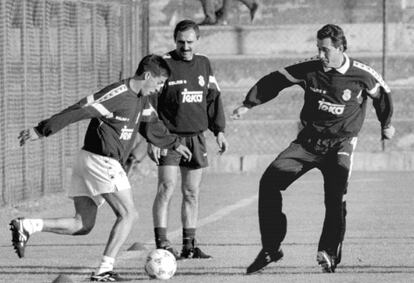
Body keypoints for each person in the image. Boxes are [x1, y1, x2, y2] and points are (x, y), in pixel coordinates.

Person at [10, 54, 192, 282]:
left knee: (82, 224)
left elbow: (152, 126)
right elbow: (80, 109)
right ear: (147, 76)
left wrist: (173, 143)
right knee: (128, 214)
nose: (158, 89)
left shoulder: (142, 99)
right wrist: (43, 129)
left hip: (91, 160)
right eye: (158, 83)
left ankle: (27, 225)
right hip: (101, 160)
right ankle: (104, 271)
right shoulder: (117, 94)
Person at [232, 24, 395, 274]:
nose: (320, 55)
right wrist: (248, 104)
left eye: (325, 50)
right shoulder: (310, 69)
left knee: (335, 196)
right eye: (318, 49)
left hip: (340, 144)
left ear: (340, 48)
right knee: (269, 182)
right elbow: (275, 80)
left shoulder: (361, 73)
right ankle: (271, 249)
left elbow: (382, 94)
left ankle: (328, 252)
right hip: (307, 143)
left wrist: (386, 125)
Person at [148, 19, 228, 259]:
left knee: (191, 192)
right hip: (169, 138)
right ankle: (162, 245)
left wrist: (219, 130)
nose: (185, 47)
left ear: (198, 40)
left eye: (190, 42)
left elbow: (213, 98)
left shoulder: (204, 64)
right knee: (166, 187)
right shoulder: (163, 64)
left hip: (196, 138)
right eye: (181, 42)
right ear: (175, 40)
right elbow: (150, 103)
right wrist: (153, 139)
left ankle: (189, 246)